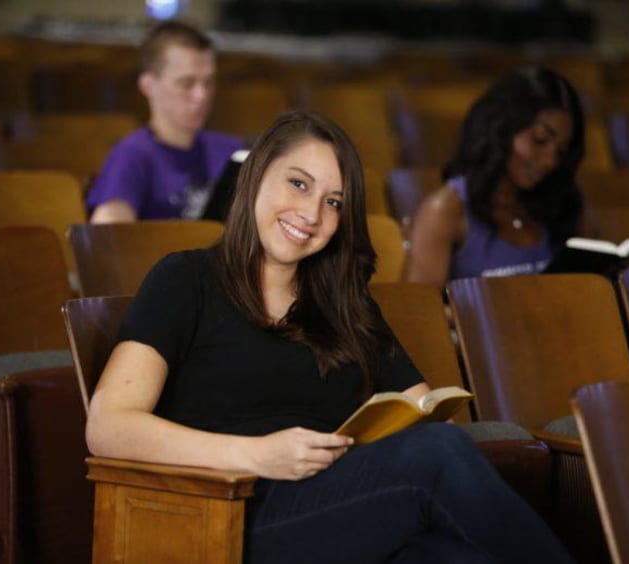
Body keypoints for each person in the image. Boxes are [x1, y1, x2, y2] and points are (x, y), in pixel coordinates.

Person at [86, 110, 575, 563]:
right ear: (256, 175)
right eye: (297, 184)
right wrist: (258, 454)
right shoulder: (185, 279)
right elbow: (108, 427)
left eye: (333, 201)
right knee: (440, 454)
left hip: (342, 507)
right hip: (233, 512)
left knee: (454, 553)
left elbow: (420, 408)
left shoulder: (344, 301)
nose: (312, 214)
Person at [406, 67, 594, 288]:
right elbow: (423, 314)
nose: (549, 161)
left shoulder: (563, 203)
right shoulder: (445, 210)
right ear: (501, 130)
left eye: (561, 150)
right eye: (540, 140)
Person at [86, 20, 244, 223]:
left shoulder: (231, 150)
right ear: (148, 86)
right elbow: (106, 244)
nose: (201, 95)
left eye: (208, 82)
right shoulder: (130, 156)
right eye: (186, 83)